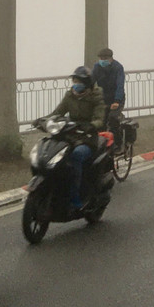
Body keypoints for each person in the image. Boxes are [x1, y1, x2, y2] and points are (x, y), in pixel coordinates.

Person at [45, 66, 107, 208]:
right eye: (74, 81)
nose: (76, 84)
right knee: (52, 152)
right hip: (70, 134)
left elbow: (99, 118)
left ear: (87, 83)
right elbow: (58, 112)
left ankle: (76, 197)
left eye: (79, 81)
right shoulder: (70, 96)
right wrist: (44, 120)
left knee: (76, 156)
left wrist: (91, 125)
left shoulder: (96, 97)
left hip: (87, 137)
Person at [92, 47, 126, 140]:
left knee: (112, 119)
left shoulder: (118, 67)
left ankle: (118, 143)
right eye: (101, 59)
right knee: (100, 120)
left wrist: (117, 101)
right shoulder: (97, 67)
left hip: (116, 98)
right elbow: (91, 81)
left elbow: (120, 85)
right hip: (103, 98)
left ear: (111, 58)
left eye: (105, 59)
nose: (102, 61)